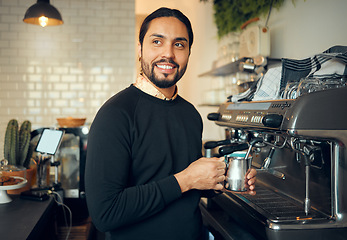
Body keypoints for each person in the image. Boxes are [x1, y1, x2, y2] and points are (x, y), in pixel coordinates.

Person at [85, 7, 256, 240]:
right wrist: (186, 180)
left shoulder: (190, 114)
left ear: (188, 53)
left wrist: (220, 180)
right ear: (140, 49)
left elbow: (187, 185)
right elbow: (105, 213)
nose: (168, 54)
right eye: (157, 41)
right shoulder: (115, 114)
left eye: (179, 44)